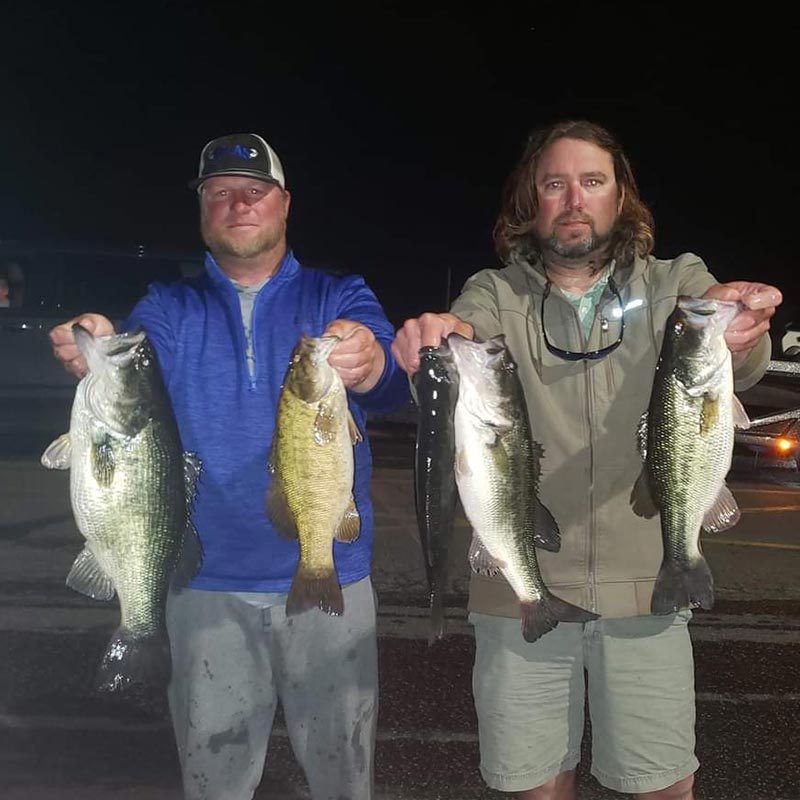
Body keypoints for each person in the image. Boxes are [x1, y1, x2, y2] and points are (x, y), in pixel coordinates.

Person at [391, 120, 782, 800]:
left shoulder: (674, 281)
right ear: (531, 201)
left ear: (620, 198)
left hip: (647, 587)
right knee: (533, 788)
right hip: (520, 593)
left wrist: (743, 327)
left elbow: (732, 343)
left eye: (592, 182)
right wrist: (439, 342)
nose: (574, 199)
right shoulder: (495, 292)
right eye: (555, 184)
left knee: (663, 786)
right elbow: (463, 337)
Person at [50, 133, 409, 800]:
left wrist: (373, 362)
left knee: (343, 779)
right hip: (202, 585)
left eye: (254, 192)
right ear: (203, 212)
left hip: (331, 576)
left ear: (284, 204)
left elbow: (389, 383)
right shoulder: (169, 306)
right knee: (214, 783)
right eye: (219, 194)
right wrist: (95, 345)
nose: (238, 204)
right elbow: (133, 363)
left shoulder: (339, 294)